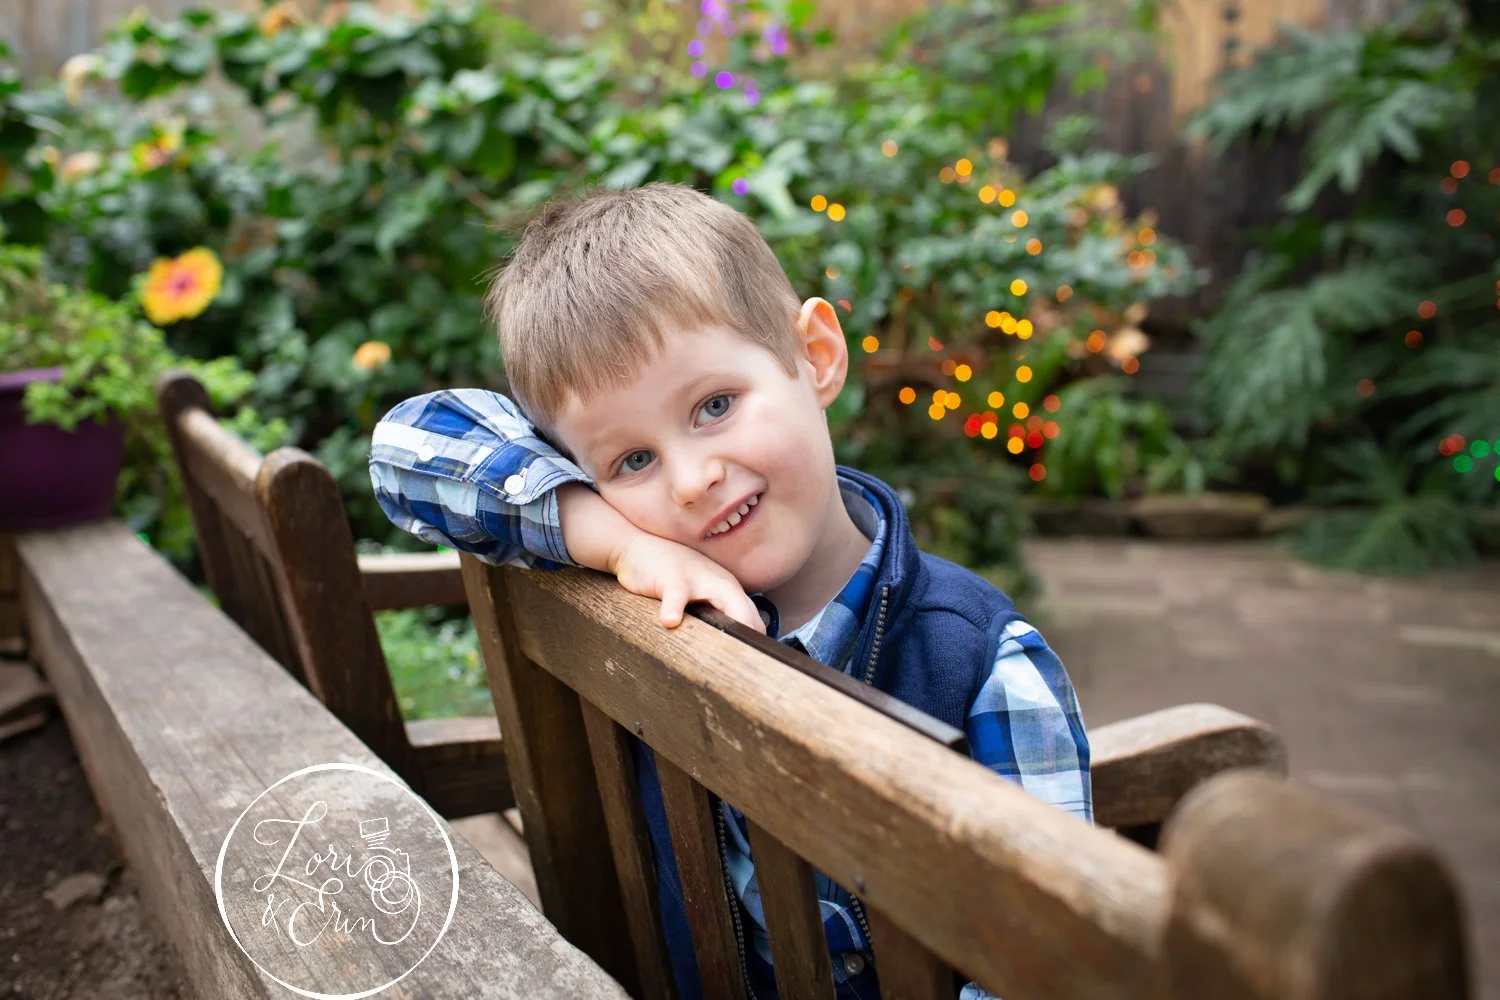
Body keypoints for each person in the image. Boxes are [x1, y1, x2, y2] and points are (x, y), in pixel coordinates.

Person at [369, 182, 1091, 1000]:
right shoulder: (649, 580)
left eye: (714, 406)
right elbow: (404, 449)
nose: (690, 479)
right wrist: (618, 543)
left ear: (815, 356)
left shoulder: (984, 669)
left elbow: (1048, 967)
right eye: (631, 461)